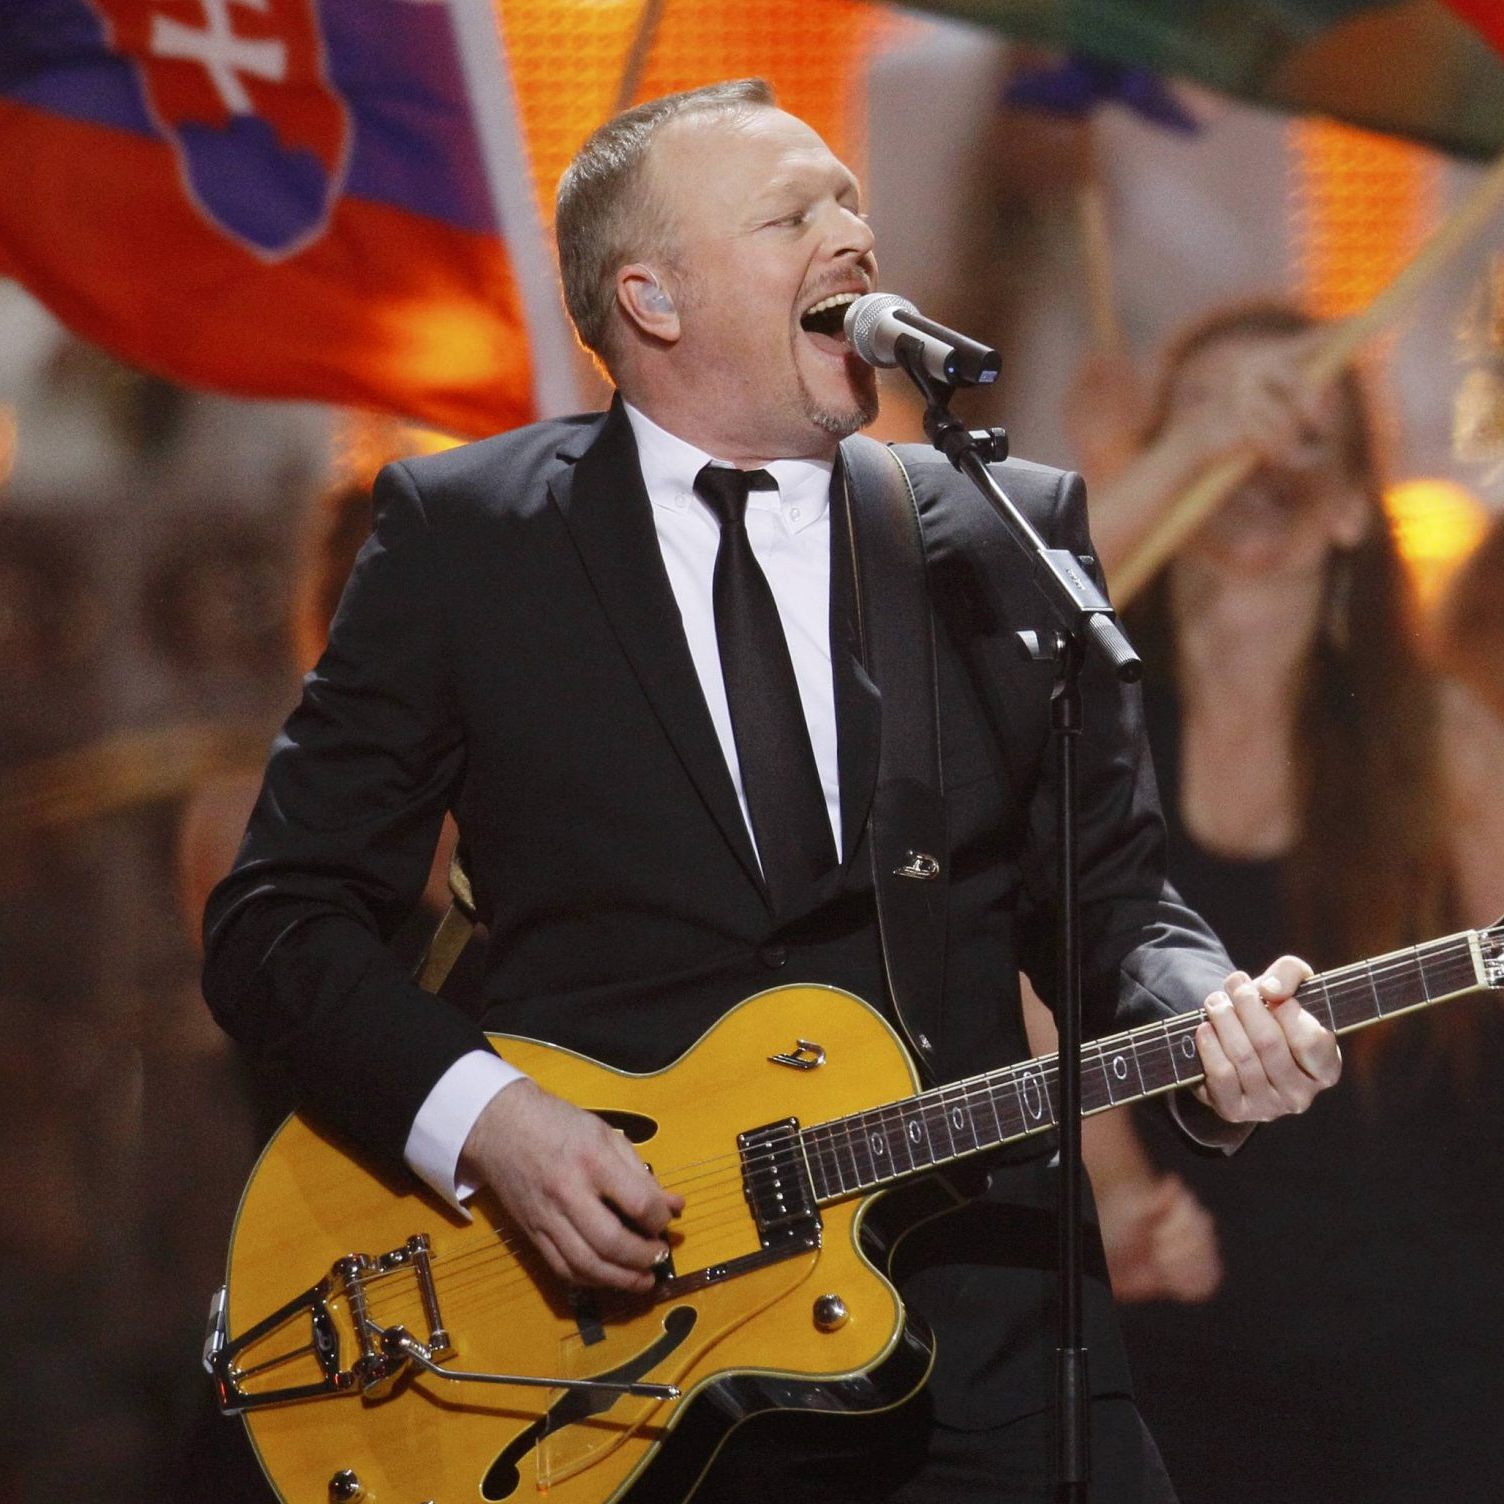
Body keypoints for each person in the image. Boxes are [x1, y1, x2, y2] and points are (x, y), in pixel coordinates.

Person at [201, 82, 1341, 1504]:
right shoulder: (468, 540)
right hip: (625, 1351)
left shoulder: (997, 529)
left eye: (852, 201)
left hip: (984, 1329)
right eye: (792, 213)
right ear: (651, 299)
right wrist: (487, 1119)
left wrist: (1209, 1019)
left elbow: (1108, 907)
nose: (853, 235)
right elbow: (278, 920)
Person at [1067, 302, 1498, 1503]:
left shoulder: (1445, 743)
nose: (1254, 455)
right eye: (1213, 418)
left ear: (1360, 501)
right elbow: (1029, 983)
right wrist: (1113, 1194)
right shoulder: (1079, 737)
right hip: (1181, 1348)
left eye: (1299, 427)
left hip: (1430, 1350)